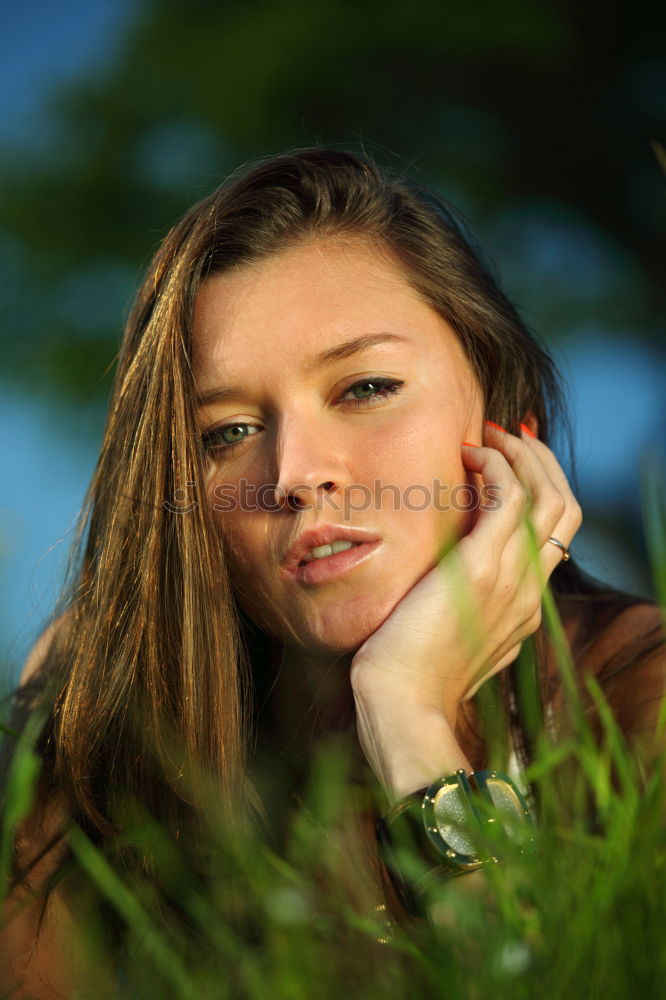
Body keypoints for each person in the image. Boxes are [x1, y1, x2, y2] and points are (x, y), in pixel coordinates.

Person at [1, 148, 664, 993]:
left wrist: (409, 713)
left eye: (366, 387)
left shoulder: (641, 702)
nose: (295, 473)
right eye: (227, 432)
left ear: (508, 425)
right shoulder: (112, 704)